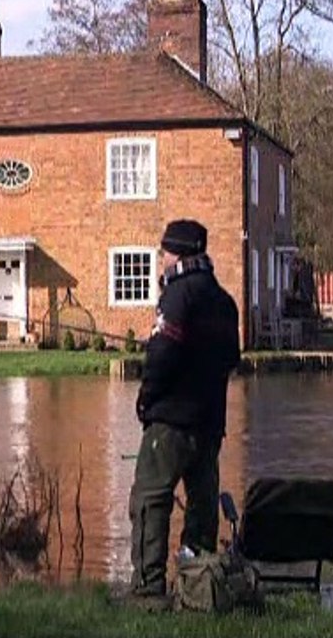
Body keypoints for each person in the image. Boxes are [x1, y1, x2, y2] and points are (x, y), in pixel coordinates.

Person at [128, 218, 241, 599]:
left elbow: (162, 354)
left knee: (150, 499)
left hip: (171, 420)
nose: (161, 259)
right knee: (202, 504)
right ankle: (198, 584)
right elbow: (231, 358)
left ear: (176, 253)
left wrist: (147, 398)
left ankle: (148, 587)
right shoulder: (225, 302)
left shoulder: (176, 295)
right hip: (210, 423)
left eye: (164, 252)